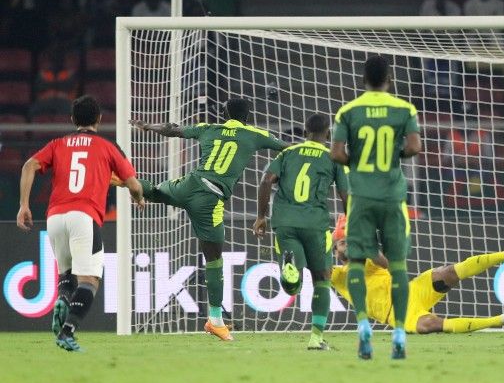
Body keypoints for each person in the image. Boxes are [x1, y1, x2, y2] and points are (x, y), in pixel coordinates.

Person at [127, 98, 287, 341]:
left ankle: (114, 177)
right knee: (214, 260)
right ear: (248, 117)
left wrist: (148, 126)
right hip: (210, 200)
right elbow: (286, 147)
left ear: (224, 113)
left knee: (154, 192)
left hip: (188, 185)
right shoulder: (254, 134)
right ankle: (215, 320)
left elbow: (173, 128)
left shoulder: (208, 128)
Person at [17, 95, 144, 352]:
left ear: (72, 119)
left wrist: (24, 205)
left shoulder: (58, 144)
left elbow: (29, 165)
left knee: (67, 274)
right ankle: (68, 331)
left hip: (54, 218)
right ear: (99, 118)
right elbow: (133, 183)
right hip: (84, 216)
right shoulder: (107, 147)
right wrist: (138, 198)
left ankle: (63, 298)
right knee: (90, 280)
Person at [331, 55, 422, 360]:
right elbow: (413, 148)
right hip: (393, 196)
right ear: (389, 78)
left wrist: (357, 160)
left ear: (363, 79)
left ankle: (362, 327)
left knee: (355, 262)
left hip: (361, 196)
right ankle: (398, 332)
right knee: (397, 266)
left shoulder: (348, 111)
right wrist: (392, 155)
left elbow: (336, 153)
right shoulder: (404, 109)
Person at [329, 215, 504, 334]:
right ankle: (502, 320)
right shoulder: (339, 277)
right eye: (343, 242)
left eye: (351, 240)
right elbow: (320, 268)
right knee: (430, 324)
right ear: (335, 251)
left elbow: (386, 263)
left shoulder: (369, 258)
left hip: (413, 289)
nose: (349, 245)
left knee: (448, 272)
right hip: (399, 315)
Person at [253, 113, 349, 350]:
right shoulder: (333, 158)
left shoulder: (287, 152)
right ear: (328, 134)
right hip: (315, 224)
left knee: (292, 284)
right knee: (322, 280)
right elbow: (346, 194)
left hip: (284, 222)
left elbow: (266, 181)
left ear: (305, 132)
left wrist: (261, 216)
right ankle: (316, 338)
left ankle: (291, 272)